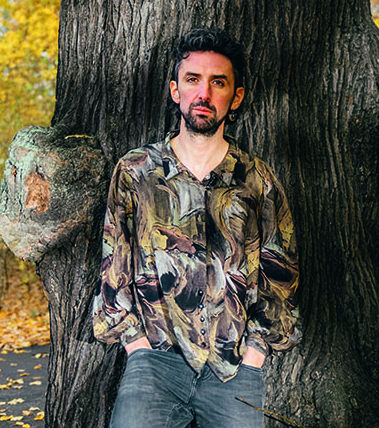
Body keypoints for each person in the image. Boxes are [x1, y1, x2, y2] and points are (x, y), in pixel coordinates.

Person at [92, 27, 301, 427]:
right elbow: (113, 258)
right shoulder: (137, 171)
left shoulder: (257, 180)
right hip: (154, 358)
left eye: (217, 82)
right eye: (193, 80)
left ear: (235, 96)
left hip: (234, 365)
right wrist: (134, 342)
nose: (203, 93)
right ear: (176, 90)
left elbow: (282, 272)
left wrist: (257, 350)